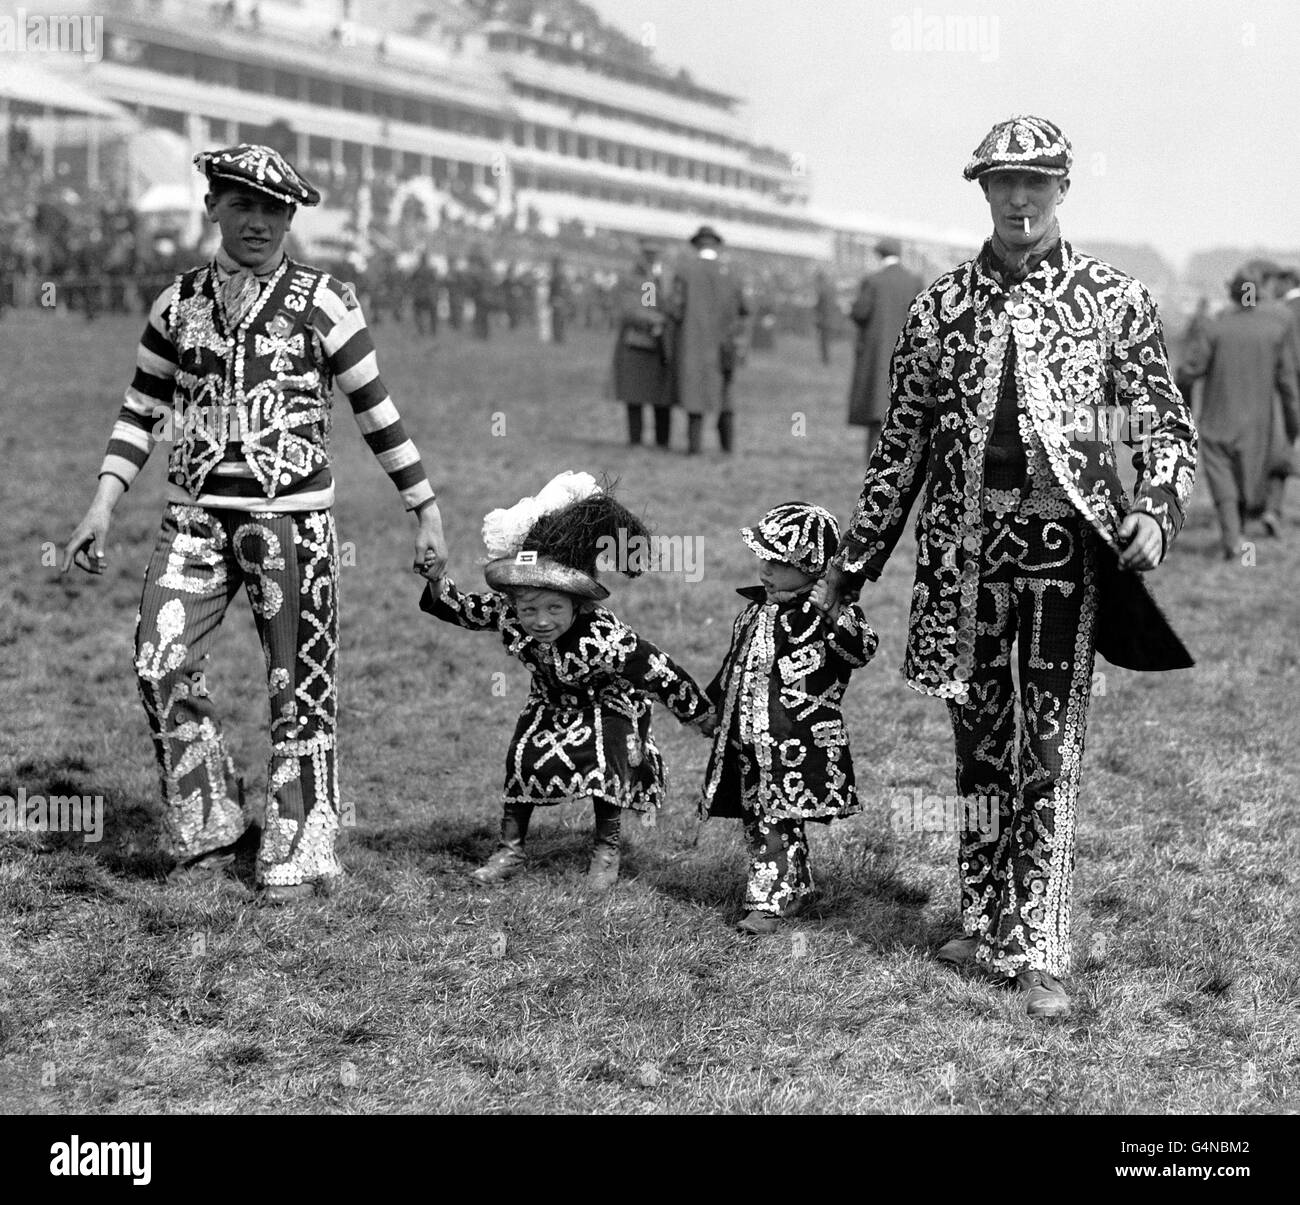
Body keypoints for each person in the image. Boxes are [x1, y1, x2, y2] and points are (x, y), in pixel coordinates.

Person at [813, 115, 1198, 1018]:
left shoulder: (1114, 300)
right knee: (979, 747)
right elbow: (898, 447)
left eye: (1035, 183)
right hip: (963, 559)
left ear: (1064, 188)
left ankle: (1044, 944)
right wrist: (853, 562)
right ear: (982, 193)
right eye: (1002, 184)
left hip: (1066, 555)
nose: (1019, 199)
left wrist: (1156, 507)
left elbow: (1165, 426)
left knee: (1048, 749)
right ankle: (985, 917)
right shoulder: (940, 307)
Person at [62, 143, 448, 904]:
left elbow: (377, 411)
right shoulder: (177, 304)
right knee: (158, 658)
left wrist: (423, 508)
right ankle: (210, 818)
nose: (259, 223)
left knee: (296, 686)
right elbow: (142, 407)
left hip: (292, 523)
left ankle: (299, 844)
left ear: (292, 217)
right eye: (242, 205)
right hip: (193, 518)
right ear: (212, 208)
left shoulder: (327, 301)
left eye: (274, 209)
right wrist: (103, 501)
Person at [418, 473, 714, 892]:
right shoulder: (506, 614)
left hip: (608, 704)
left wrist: (701, 715)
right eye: (530, 608)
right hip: (548, 704)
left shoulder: (603, 637)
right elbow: (462, 608)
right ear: (514, 602)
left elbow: (658, 670)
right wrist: (435, 579)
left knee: (607, 758)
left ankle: (606, 849)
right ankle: (510, 848)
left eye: (555, 607)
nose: (541, 621)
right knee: (522, 757)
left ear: (577, 603)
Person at [699, 503, 877, 935]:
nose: (765, 570)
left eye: (779, 563)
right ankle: (795, 886)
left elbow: (863, 650)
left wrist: (833, 614)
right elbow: (733, 667)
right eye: (764, 558)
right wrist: (712, 707)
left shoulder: (828, 615)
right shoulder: (754, 611)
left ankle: (767, 902)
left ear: (814, 568)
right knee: (763, 816)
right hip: (748, 742)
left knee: (773, 819)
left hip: (797, 742)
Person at [1180, 261, 1299, 554]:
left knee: (1223, 479)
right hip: (1258, 424)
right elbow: (1287, 383)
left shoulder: (1215, 327)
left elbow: (1188, 372)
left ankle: (1233, 539)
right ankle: (1240, 536)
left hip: (1216, 419)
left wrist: (1183, 405)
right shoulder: (1274, 331)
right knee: (1248, 480)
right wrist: (1293, 420)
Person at [666, 226, 749, 454]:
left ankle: (695, 448)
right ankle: (727, 447)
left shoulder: (685, 270)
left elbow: (675, 308)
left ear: (696, 245)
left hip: (693, 343)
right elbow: (745, 308)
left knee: (695, 394)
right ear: (716, 245)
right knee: (725, 394)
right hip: (724, 343)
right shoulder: (731, 272)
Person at [847, 238, 923, 463]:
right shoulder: (914, 281)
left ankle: (872, 456)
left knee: (876, 406)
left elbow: (861, 312)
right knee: (900, 405)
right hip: (906, 351)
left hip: (877, 352)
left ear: (880, 255)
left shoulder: (873, 280)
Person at [610, 238, 673, 448]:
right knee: (635, 395)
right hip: (638, 343)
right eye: (649, 253)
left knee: (662, 397)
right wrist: (653, 319)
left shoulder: (666, 276)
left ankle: (662, 440)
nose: (652, 257)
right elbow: (633, 308)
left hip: (662, 344)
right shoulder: (636, 278)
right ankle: (635, 439)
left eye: (656, 253)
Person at [410, 250, 439, 337]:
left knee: (418, 314)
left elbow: (410, 281)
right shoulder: (431, 270)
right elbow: (435, 282)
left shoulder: (417, 270)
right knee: (433, 314)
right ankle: (433, 332)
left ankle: (421, 331)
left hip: (419, 296)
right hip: (429, 296)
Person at [812, 269, 838, 365]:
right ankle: (826, 359)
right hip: (830, 318)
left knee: (824, 341)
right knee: (826, 340)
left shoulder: (822, 290)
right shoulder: (831, 289)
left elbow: (819, 305)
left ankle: (825, 360)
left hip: (824, 319)